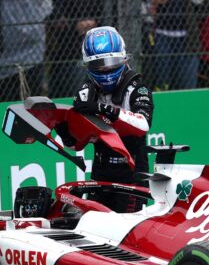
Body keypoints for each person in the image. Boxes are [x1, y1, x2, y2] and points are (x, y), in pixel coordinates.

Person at [58, 26, 154, 213]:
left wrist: (104, 109)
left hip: (132, 175)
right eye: (99, 65)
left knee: (126, 233)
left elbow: (143, 124)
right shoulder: (85, 93)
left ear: (123, 58)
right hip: (101, 173)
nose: (106, 68)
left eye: (111, 62)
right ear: (88, 65)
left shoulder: (138, 89)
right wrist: (66, 133)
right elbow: (75, 146)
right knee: (94, 226)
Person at [144, 0, 206, 90]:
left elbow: (199, 3)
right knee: (161, 83)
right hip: (160, 36)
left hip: (186, 38)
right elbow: (143, 15)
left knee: (187, 84)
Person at [47, 0, 104, 98]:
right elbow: (53, 12)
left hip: (95, 42)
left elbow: (108, 7)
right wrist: (75, 24)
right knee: (69, 90)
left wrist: (95, 23)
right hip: (66, 44)